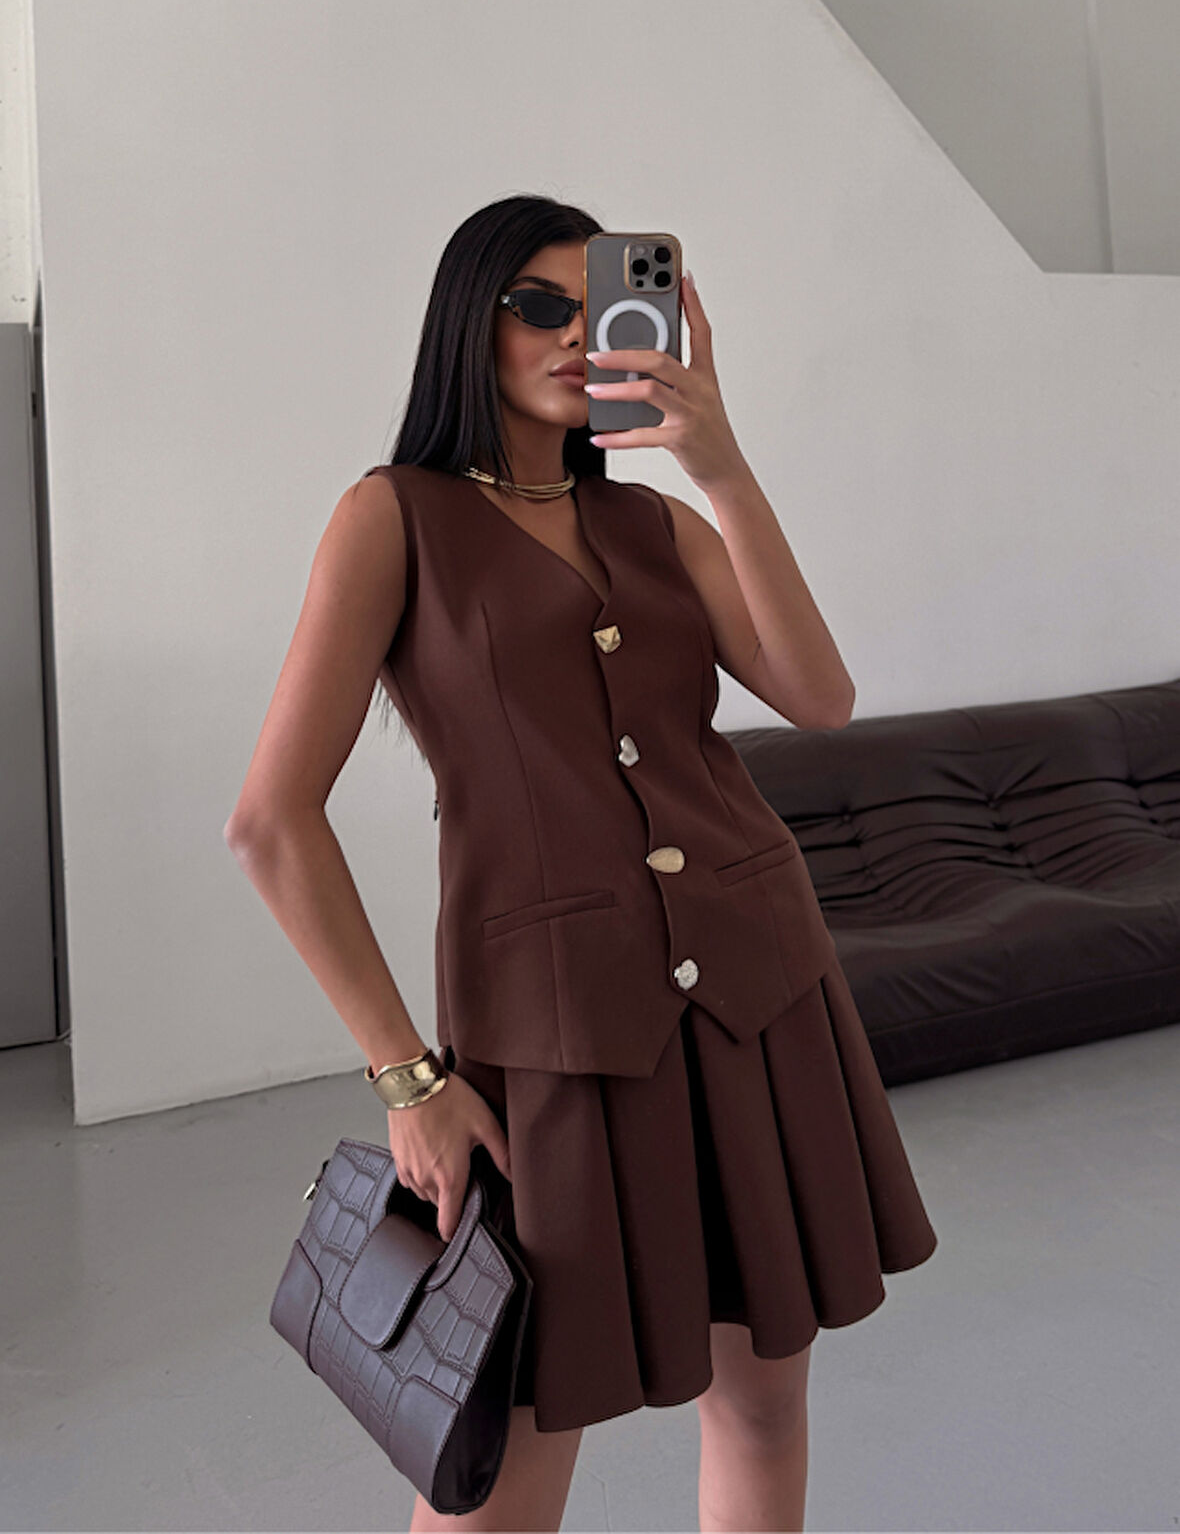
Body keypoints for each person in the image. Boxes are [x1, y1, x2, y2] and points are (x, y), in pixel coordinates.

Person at [225, 194, 938, 1533]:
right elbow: (272, 819)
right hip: (547, 1038)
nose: (572, 333)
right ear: (469, 322)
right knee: (503, 1451)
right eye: (536, 306)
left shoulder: (662, 526)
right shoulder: (395, 517)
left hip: (757, 1000)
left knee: (763, 1403)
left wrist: (721, 464)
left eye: (594, 305)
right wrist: (406, 1075)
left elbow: (821, 694)